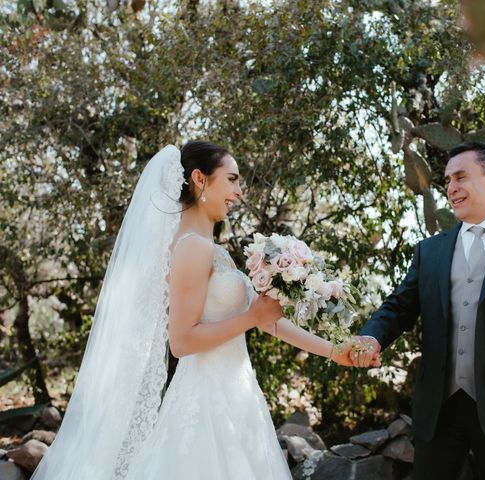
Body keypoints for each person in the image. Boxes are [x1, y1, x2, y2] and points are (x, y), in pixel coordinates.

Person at [32, 141, 352, 480]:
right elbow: (181, 342)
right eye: (231, 179)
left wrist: (335, 352)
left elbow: (268, 322)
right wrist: (251, 317)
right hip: (205, 410)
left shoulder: (216, 252)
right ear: (200, 179)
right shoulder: (191, 249)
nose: (238, 191)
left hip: (238, 399)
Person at [348, 142, 485, 480]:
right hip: (439, 409)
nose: (451, 188)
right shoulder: (430, 250)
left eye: (460, 177)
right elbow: (399, 307)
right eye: (447, 181)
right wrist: (371, 336)